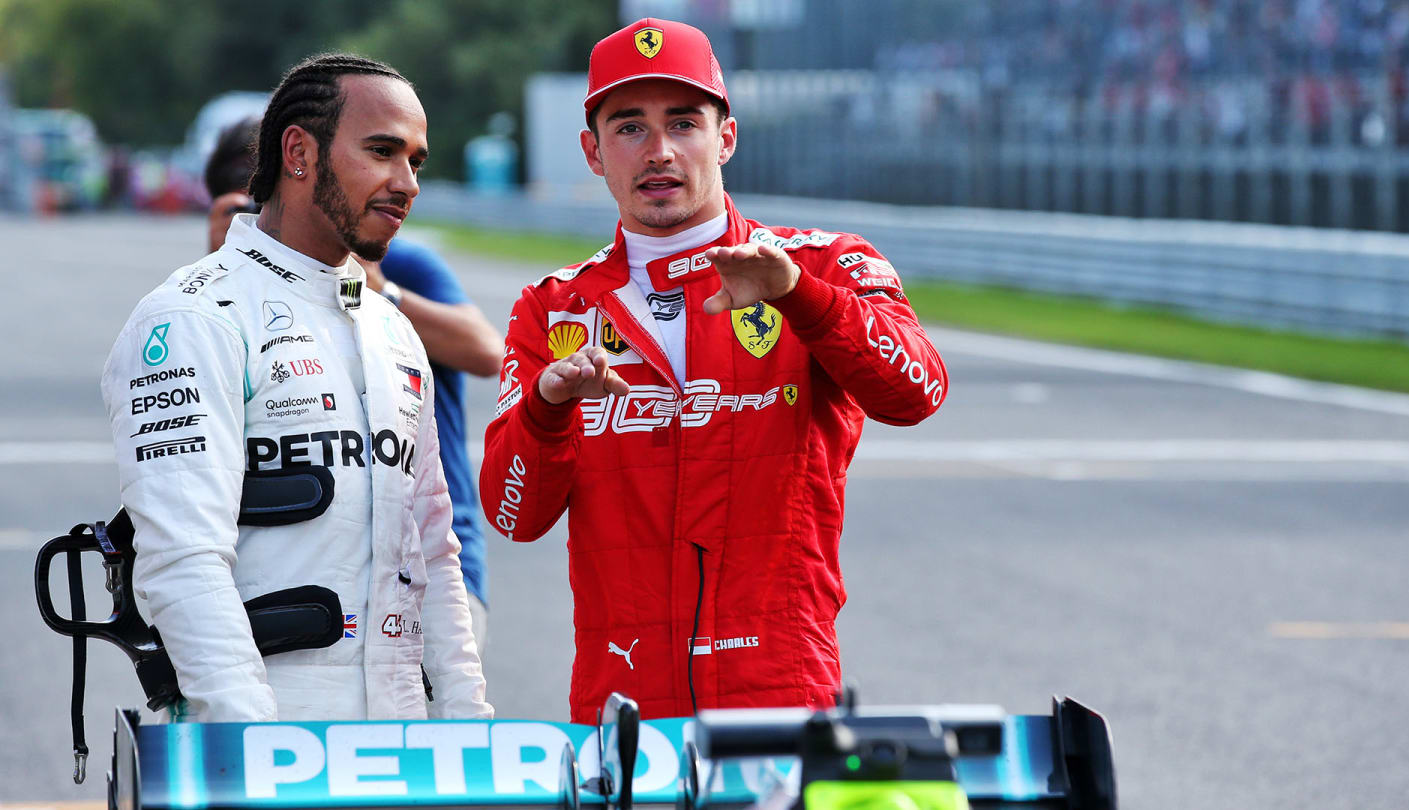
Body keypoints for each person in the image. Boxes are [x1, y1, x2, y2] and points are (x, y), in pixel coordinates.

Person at [479, 19, 949, 722]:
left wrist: (804, 300)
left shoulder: (822, 265)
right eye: (630, 127)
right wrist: (546, 408)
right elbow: (514, 516)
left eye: (685, 123)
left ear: (725, 137)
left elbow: (919, 391)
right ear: (593, 151)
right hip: (620, 711)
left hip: (782, 695)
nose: (660, 151)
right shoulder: (553, 307)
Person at [101, 53, 493, 721]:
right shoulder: (192, 317)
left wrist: (466, 723)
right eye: (382, 151)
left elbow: (433, 550)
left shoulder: (394, 329)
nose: (407, 183)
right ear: (299, 152)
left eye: (416, 162)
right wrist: (259, 746)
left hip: (400, 733)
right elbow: (181, 561)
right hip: (266, 736)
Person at [203, 118, 503, 651]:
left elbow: (488, 352)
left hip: (427, 561)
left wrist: (380, 290)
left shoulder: (394, 259)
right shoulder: (216, 294)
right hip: (283, 571)